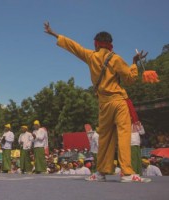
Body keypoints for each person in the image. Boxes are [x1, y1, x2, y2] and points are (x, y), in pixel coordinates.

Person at [44, 22, 151, 183]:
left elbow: (74, 47)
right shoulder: (116, 59)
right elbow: (129, 79)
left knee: (104, 138)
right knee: (123, 135)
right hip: (119, 101)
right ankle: (127, 173)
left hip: (104, 104)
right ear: (110, 45)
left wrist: (55, 34)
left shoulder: (91, 56)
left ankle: (101, 172)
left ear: (96, 44)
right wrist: (134, 64)